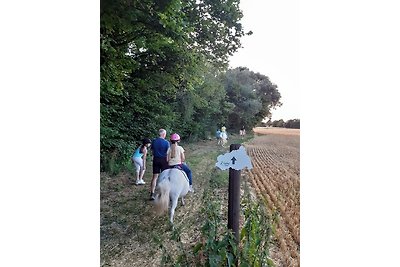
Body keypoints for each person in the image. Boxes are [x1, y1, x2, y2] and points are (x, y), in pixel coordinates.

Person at [149, 129, 170, 200]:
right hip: (164, 160)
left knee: (155, 177)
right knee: (164, 177)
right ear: (164, 134)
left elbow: (152, 150)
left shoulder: (154, 141)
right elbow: (168, 153)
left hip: (156, 159)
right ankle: (163, 193)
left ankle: (152, 193)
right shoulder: (166, 142)